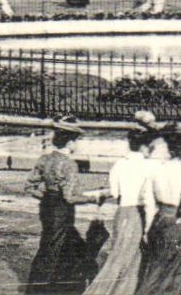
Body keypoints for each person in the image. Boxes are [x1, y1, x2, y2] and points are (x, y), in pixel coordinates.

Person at [85, 120, 157, 295]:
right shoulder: (149, 166)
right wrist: (149, 227)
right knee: (130, 261)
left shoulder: (119, 164)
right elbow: (149, 198)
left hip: (122, 214)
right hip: (137, 215)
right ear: (145, 146)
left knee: (120, 257)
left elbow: (115, 193)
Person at [25, 117, 95, 294]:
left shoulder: (45, 159)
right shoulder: (69, 164)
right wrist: (93, 198)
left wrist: (48, 198)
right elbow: (70, 197)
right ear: (70, 141)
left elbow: (29, 186)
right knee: (59, 249)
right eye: (77, 140)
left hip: (47, 207)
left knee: (51, 245)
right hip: (62, 211)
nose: (77, 144)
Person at [137, 125, 181, 295]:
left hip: (158, 222)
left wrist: (146, 228)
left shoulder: (157, 170)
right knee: (176, 269)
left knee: (157, 267)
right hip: (176, 223)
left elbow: (149, 201)